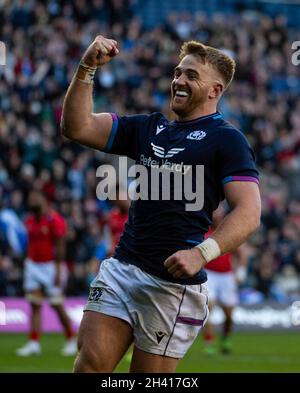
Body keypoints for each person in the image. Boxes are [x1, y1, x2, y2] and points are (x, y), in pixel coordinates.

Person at [61, 35, 261, 373]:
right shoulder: (148, 128)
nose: (179, 81)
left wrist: (202, 253)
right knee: (88, 368)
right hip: (122, 269)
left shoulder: (227, 139)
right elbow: (76, 127)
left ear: (215, 91)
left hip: (171, 287)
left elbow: (249, 211)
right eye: (178, 73)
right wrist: (86, 68)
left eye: (191, 76)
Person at [16, 190, 77, 357]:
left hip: (51, 266)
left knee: (56, 305)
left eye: (35, 197)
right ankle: (34, 343)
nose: (31, 200)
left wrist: (58, 271)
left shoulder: (54, 220)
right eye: (30, 197)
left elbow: (60, 247)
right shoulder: (29, 220)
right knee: (34, 304)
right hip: (33, 265)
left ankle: (71, 339)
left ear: (44, 200)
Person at [202, 204, 248, 355]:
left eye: (219, 212)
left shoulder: (228, 232)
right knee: (208, 307)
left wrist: (240, 272)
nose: (216, 215)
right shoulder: (204, 232)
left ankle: (226, 338)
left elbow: (241, 253)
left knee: (229, 314)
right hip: (209, 274)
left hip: (226, 275)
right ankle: (209, 341)